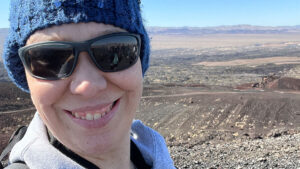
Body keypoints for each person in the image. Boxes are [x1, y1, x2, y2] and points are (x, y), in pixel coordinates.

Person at [2, 0, 175, 168]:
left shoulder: (154, 154)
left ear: (139, 59)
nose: (88, 86)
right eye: (50, 59)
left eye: (115, 52)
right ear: (25, 75)